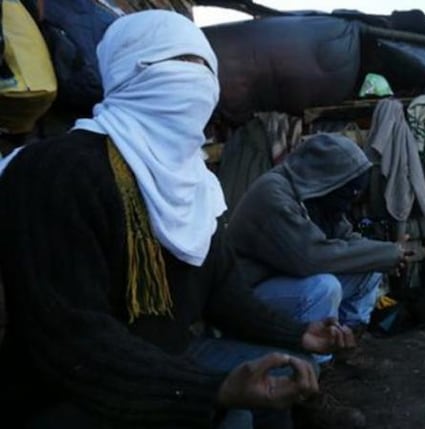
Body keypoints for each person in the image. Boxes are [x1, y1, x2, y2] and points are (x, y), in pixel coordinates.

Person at [0, 11, 357, 428]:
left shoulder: (196, 182)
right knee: (236, 410)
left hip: (170, 358)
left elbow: (225, 295)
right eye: (176, 64)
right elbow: (72, 340)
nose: (194, 80)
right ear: (123, 72)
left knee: (282, 373)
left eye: (204, 67)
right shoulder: (56, 171)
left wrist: (300, 334)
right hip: (72, 388)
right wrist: (209, 389)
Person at [227, 134, 411, 361]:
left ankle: (346, 338)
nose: (351, 199)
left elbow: (347, 240)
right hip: (246, 297)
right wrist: (386, 252)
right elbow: (310, 258)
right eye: (349, 192)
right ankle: (317, 363)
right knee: (324, 287)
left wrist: (388, 254)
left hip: (286, 281)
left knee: (370, 267)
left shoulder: (317, 197)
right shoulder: (274, 194)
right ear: (330, 178)